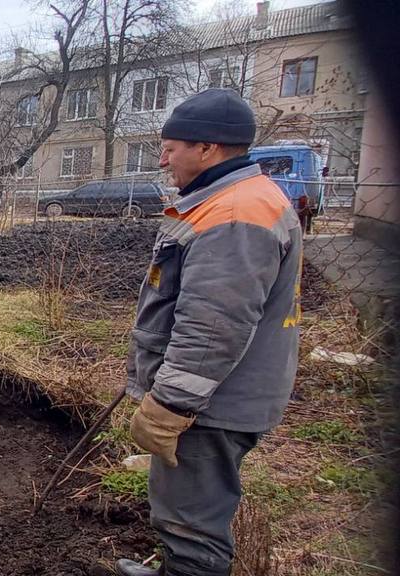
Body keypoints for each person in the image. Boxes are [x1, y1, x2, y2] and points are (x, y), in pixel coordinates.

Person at [118, 89, 303, 576]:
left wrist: (170, 405)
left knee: (191, 523)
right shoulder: (232, 201)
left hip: (211, 403)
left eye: (171, 147)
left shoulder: (234, 215)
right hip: (215, 396)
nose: (163, 159)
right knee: (181, 508)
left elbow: (212, 329)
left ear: (208, 148)